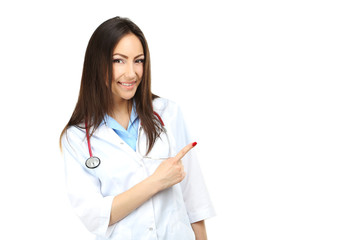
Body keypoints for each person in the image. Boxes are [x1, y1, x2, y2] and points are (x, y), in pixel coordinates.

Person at [60, 16, 215, 240]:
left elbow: (194, 200)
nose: (131, 73)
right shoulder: (76, 138)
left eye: (138, 60)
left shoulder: (168, 113)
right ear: (97, 63)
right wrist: (156, 182)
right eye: (118, 61)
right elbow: (96, 216)